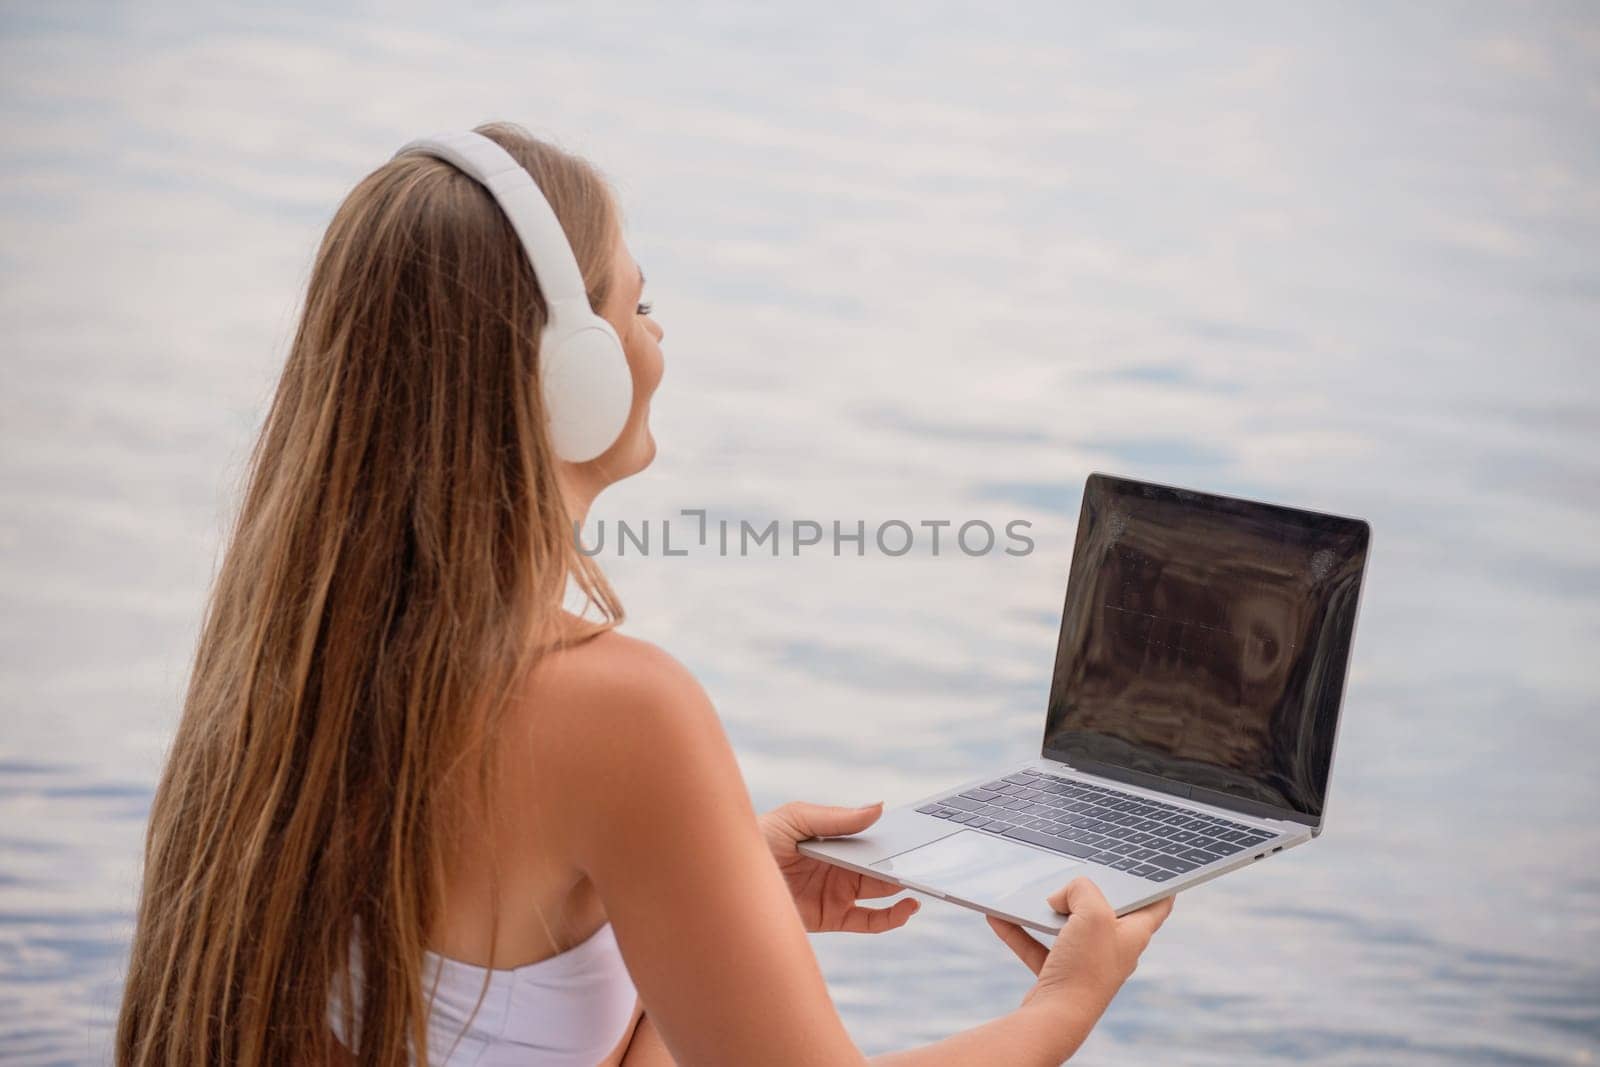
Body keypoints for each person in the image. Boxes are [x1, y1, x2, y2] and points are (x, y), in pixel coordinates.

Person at [115, 121, 1173, 1067]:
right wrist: (1065, 1003)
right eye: (639, 304)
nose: (658, 340)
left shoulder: (283, 666)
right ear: (568, 369)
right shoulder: (617, 710)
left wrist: (695, 911)